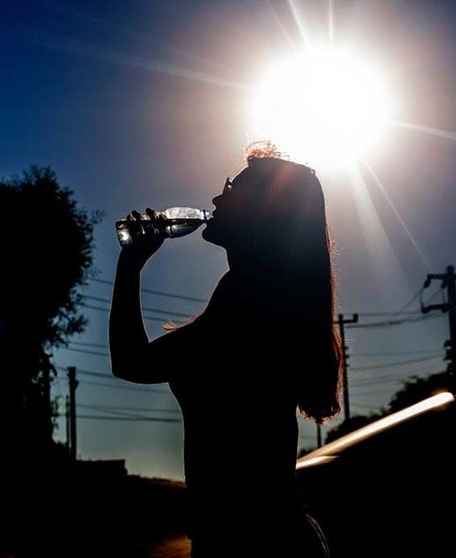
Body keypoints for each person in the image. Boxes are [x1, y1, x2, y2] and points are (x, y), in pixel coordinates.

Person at [110, 143, 342, 557]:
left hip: (252, 545)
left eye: (234, 189)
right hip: (263, 537)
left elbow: (132, 363)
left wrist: (130, 267)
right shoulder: (252, 294)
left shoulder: (251, 302)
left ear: (267, 215)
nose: (218, 198)